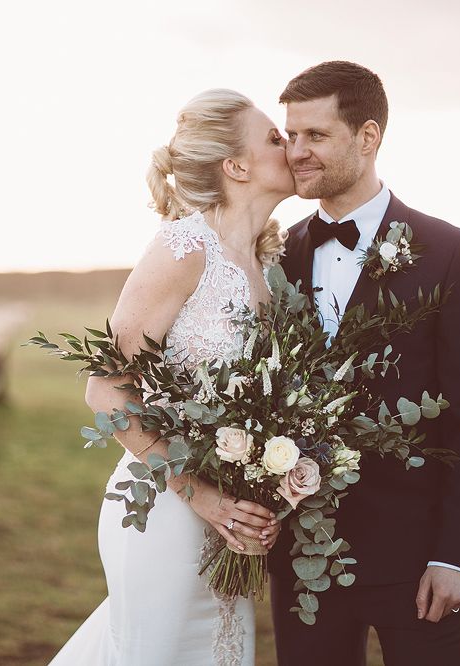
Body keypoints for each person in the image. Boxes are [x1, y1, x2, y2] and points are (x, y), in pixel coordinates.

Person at [268, 61, 460, 666]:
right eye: (291, 135)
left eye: (315, 136)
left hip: (417, 561)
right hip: (303, 564)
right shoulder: (273, 254)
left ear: (367, 138)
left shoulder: (451, 253)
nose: (297, 152)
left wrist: (456, 556)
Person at [48, 88, 293, 666]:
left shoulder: (267, 262)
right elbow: (106, 391)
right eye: (275, 139)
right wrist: (204, 497)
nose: (291, 148)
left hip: (226, 520)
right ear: (236, 166)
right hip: (161, 513)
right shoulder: (185, 247)